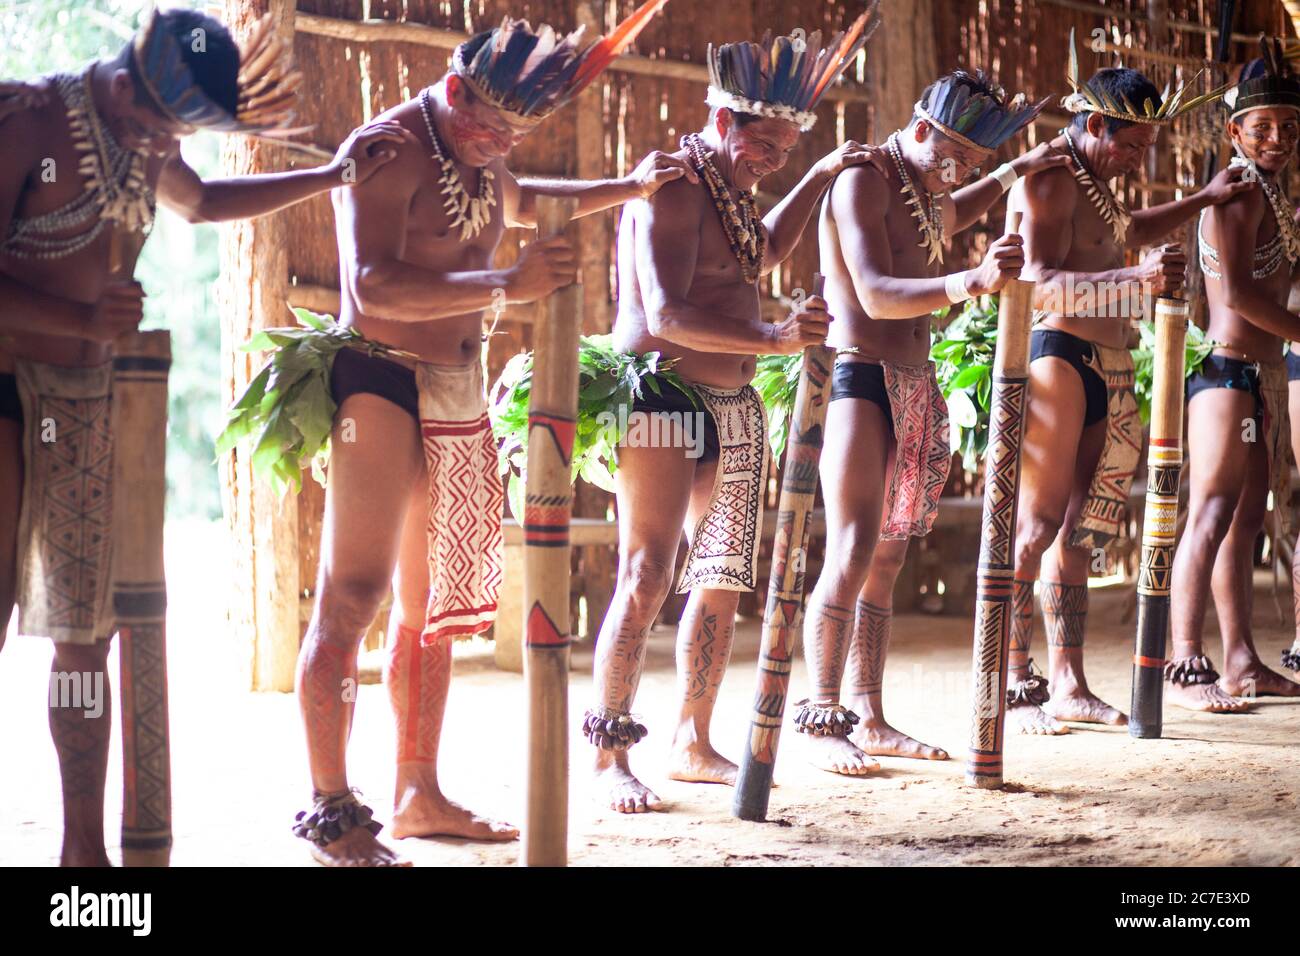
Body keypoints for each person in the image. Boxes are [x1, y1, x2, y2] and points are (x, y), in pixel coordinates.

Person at [237, 6, 692, 864]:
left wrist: (625, 191)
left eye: (516, 134)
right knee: (351, 598)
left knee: (428, 614)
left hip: (453, 390)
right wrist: (504, 286)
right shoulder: (393, 148)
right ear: (453, 91)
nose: (501, 146)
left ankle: (416, 793)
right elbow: (370, 288)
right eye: (490, 128)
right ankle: (332, 812)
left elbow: (529, 199)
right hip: (377, 380)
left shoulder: (479, 153)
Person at [0, 6, 405, 867]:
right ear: (118, 89)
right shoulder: (26, 121)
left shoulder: (140, 138)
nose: (161, 153)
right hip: (4, 392)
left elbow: (207, 201)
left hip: (84, 401)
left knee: (83, 640)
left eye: (173, 137)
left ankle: (83, 855)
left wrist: (332, 176)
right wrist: (73, 314)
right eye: (156, 132)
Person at [590, 9, 884, 813]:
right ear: (722, 121)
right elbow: (668, 314)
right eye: (763, 146)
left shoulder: (728, 187)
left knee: (719, 579)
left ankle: (691, 739)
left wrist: (816, 176)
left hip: (734, 400)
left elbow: (765, 251)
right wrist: (776, 334)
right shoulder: (674, 190)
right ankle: (611, 750)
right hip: (661, 396)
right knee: (648, 570)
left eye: (783, 152)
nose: (770, 161)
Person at [806, 69, 1061, 775]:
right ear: (921, 131)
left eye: (970, 166)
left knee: (887, 557)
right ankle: (824, 718)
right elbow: (876, 294)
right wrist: (969, 283)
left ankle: (869, 714)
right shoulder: (863, 180)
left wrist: (1012, 171)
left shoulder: (920, 186)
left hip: (914, 383)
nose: (961, 176)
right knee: (853, 548)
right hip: (861, 379)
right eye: (957, 159)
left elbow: (950, 215)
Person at [1005, 32, 1249, 734]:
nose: (1137, 157)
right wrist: (1131, 280)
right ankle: (1015, 679)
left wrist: (1200, 198)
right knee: (1037, 526)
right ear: (1093, 125)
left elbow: (1126, 232)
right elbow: (1043, 285)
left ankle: (1068, 681)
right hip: (1059, 357)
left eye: (1145, 146)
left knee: (1081, 534)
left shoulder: (1095, 185)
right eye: (1130, 144)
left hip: (1107, 363)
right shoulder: (1048, 180)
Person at [1167, 42, 1300, 711]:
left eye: (1289, 126)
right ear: (1235, 132)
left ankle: (1242, 659)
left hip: (1253, 379)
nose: (1278, 137)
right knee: (1213, 511)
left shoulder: (1268, 193)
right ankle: (1187, 664)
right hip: (1226, 375)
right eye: (1264, 126)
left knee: (1248, 516)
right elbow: (1240, 299)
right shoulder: (1236, 194)